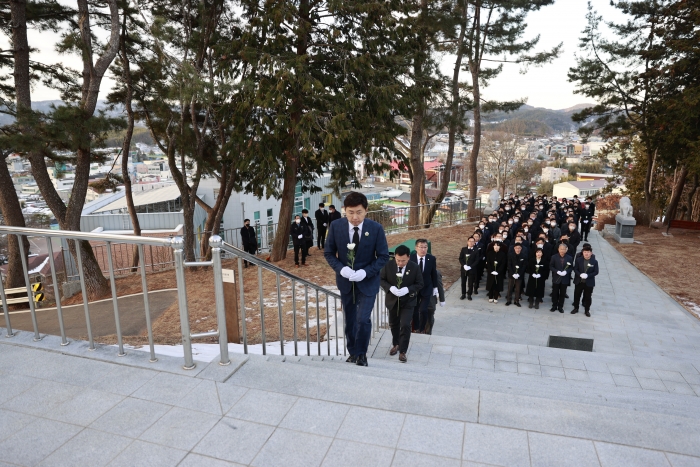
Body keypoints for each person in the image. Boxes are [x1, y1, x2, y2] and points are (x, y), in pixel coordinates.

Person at [324, 192, 389, 367]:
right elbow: (329, 253)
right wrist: (341, 269)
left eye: (359, 212)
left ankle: (361, 354)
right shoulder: (336, 226)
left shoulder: (376, 229)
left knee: (363, 319)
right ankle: (352, 352)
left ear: (366, 210)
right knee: (351, 319)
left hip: (368, 282)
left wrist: (366, 272)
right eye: (350, 212)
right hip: (346, 282)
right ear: (344, 210)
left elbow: (383, 256)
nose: (354, 217)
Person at [380, 245, 423, 362]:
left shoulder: (414, 267)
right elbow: (381, 279)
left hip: (408, 301)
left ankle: (403, 351)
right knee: (393, 324)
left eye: (403, 261)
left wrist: (408, 289)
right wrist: (390, 288)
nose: (400, 263)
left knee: (405, 325)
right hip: (392, 300)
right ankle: (396, 344)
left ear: (409, 257)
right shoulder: (388, 265)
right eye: (398, 260)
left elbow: (420, 283)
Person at [410, 239, 438, 333]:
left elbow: (434, 274)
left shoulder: (431, 258)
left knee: (423, 310)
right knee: (415, 309)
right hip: (415, 288)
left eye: (425, 247)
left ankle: (422, 329)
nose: (423, 249)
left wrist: (435, 287)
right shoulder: (411, 258)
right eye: (421, 247)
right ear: (416, 248)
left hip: (427, 287)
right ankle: (416, 328)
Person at [572, 244, 599, 317]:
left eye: (588, 252)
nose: (586, 253)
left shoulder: (594, 262)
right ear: (582, 253)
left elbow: (596, 272)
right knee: (576, 295)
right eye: (585, 252)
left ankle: (587, 310)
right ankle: (576, 308)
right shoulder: (578, 260)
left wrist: (588, 275)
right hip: (579, 281)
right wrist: (579, 274)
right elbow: (575, 269)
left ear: (591, 253)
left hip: (589, 282)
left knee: (588, 297)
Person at [549, 243, 573, 313]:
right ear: (558, 249)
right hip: (556, 277)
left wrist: (566, 272)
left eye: (564, 249)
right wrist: (557, 271)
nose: (562, 250)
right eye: (561, 249)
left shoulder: (569, 258)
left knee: (562, 293)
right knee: (555, 293)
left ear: (566, 250)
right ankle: (554, 306)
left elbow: (571, 267)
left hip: (564, 279)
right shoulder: (554, 257)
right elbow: (551, 266)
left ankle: (560, 306)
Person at [424, 269, 446, 335]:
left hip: (430, 301)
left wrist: (442, 299)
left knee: (429, 318)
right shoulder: (414, 269)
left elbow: (439, 285)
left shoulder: (435, 273)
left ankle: (428, 333)